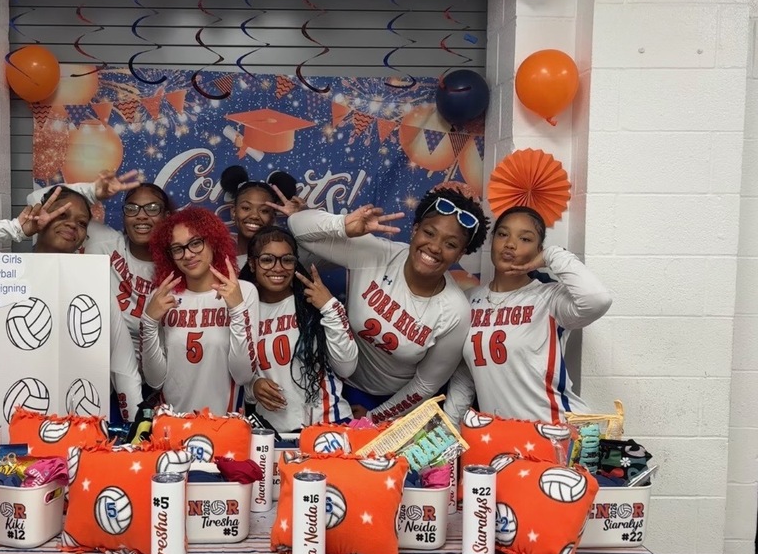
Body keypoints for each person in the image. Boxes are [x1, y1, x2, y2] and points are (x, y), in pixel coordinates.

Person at [0, 177, 143, 426]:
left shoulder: (94, 284)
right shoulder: (5, 272)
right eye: (61, 215)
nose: (72, 225)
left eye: (82, 223)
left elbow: (123, 367)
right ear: (41, 215)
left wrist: (138, 430)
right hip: (6, 416)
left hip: (72, 423)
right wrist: (16, 229)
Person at [285, 182, 489, 422]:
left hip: (390, 402)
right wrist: (343, 225)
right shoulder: (378, 255)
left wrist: (375, 417)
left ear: (460, 254)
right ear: (414, 230)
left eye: (451, 244)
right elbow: (296, 228)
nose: (434, 247)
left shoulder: (455, 311)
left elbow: (425, 385)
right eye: (429, 233)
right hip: (334, 383)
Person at [443, 206, 613, 424]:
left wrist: (551, 256)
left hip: (556, 435)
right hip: (501, 441)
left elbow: (598, 299)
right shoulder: (468, 301)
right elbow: (466, 376)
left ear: (538, 249)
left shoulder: (550, 297)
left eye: (525, 239)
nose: (510, 244)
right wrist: (448, 431)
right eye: (503, 234)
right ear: (492, 240)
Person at [139, 207, 259, 414]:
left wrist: (238, 309)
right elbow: (155, 381)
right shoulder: (162, 297)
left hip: (225, 426)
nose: (188, 255)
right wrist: (148, 322)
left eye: (195, 243)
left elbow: (243, 375)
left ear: (213, 241)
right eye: (177, 249)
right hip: (173, 426)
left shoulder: (243, 291)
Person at [239, 226, 357, 434]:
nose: (278, 268)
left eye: (287, 260)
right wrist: (253, 386)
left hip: (328, 425)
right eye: (267, 259)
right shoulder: (243, 309)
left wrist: (329, 306)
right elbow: (235, 371)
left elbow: (346, 368)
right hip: (271, 432)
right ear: (252, 263)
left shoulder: (312, 303)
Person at [32, 180, 175, 347]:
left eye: (152, 208)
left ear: (167, 216)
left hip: (155, 366)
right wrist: (94, 191)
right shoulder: (103, 240)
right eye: (131, 208)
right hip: (95, 360)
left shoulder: (179, 263)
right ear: (124, 216)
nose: (141, 215)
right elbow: (35, 198)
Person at [219, 165, 302, 269]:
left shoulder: (290, 257)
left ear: (273, 217)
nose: (254, 216)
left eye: (264, 211)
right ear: (234, 212)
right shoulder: (218, 261)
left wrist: (300, 218)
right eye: (246, 208)